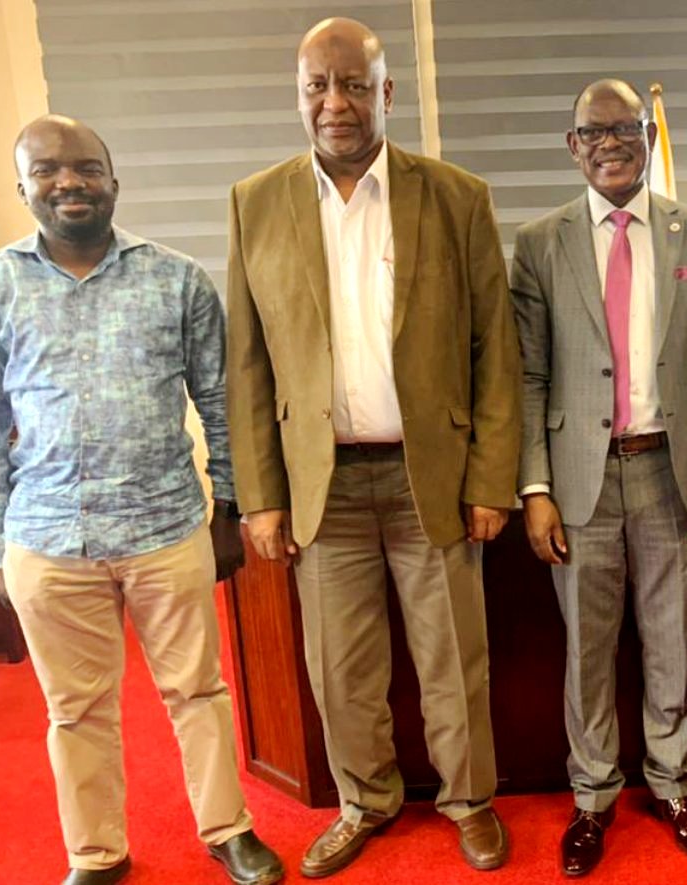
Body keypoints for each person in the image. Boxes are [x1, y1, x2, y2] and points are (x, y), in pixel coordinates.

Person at [224, 17, 520, 877]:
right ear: (299, 97)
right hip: (323, 484)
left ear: (386, 93)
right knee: (340, 667)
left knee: (453, 656)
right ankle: (367, 799)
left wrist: (491, 479)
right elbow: (248, 362)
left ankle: (470, 800)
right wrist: (263, 494)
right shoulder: (257, 202)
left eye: (353, 84)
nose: (335, 103)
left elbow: (493, 351)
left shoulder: (456, 195)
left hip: (432, 472)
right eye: (317, 86)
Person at [0, 116, 282, 885]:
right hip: (45, 536)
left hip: (167, 526)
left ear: (114, 179)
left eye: (85, 167)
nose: (68, 182)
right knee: (76, 709)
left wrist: (230, 510)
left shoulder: (175, 278)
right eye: (46, 170)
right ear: (23, 188)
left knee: (198, 690)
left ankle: (228, 828)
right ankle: (97, 852)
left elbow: (219, 400)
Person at [510, 79, 687, 877]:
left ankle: (674, 784)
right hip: (580, 480)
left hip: (669, 473)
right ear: (573, 146)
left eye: (625, 129)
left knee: (672, 637)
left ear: (647, 135)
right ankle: (593, 794)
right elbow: (529, 376)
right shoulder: (540, 242)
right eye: (593, 132)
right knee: (587, 648)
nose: (611, 143)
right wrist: (533, 488)